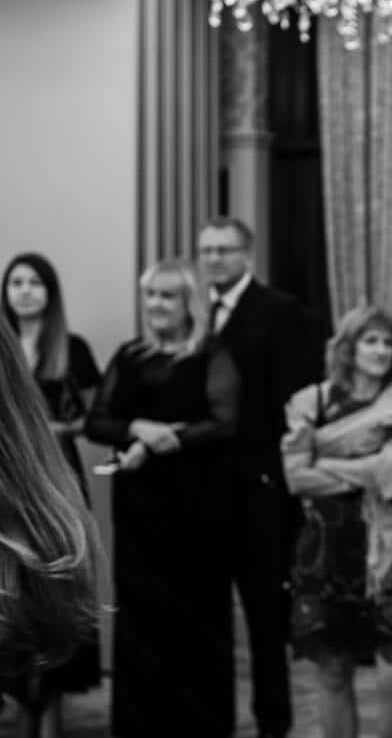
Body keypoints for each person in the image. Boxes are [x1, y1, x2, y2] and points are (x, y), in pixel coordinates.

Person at [84, 259, 239, 738]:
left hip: (197, 511)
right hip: (139, 511)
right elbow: (96, 420)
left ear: (189, 303)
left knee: (197, 619)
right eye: (150, 295)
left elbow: (227, 422)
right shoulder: (130, 356)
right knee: (139, 617)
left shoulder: (212, 355)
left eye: (168, 296)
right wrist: (138, 428)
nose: (156, 305)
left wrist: (175, 439)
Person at [280, 306, 392, 738]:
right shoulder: (313, 401)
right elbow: (295, 477)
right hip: (325, 552)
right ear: (348, 347)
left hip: (387, 554)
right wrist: (370, 467)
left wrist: (326, 463)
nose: (381, 351)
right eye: (371, 341)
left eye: (388, 342)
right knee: (332, 673)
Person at [198, 216, 313, 738]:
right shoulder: (197, 315)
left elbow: (295, 403)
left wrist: (283, 481)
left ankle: (274, 725)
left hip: (263, 492)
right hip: (205, 494)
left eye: (224, 250)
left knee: (267, 622)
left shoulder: (278, 311)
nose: (214, 259)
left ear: (247, 254)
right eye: (207, 251)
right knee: (210, 623)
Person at [1, 253, 103, 737]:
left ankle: (51, 715)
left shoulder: (72, 349)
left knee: (49, 588)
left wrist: (52, 427)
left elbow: (97, 412)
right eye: (16, 282)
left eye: (34, 282)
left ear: (50, 292)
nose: (24, 291)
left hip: (51, 471)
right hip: (9, 481)